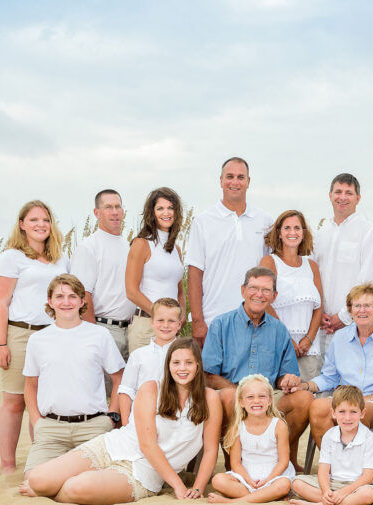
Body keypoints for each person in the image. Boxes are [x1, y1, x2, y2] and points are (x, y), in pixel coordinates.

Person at [19, 338, 222, 504]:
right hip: (112, 447)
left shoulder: (210, 399)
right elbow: (148, 444)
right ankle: (46, 488)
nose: (182, 368)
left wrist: (197, 488)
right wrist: (178, 485)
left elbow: (211, 450)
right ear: (168, 365)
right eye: (176, 363)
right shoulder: (151, 389)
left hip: (143, 473)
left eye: (188, 362)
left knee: (76, 488)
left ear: (198, 365)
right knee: (37, 479)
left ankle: (53, 493)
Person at [201, 266, 313, 469]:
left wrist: (288, 380)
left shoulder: (279, 329)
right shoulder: (221, 324)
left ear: (274, 296)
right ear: (243, 290)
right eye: (253, 288)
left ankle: (275, 457)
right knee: (228, 397)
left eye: (266, 290)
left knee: (305, 398)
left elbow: (285, 374)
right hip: (232, 394)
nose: (259, 294)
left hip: (269, 397)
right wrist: (242, 394)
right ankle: (234, 464)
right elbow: (208, 374)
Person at [0, 200, 69, 474]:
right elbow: (1, 303)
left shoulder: (61, 258)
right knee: (14, 402)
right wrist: (1, 343)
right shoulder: (11, 257)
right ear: (22, 224)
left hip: (53, 336)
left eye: (46, 220)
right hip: (20, 334)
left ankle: (40, 463)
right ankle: (7, 465)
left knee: (44, 404)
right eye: (34, 220)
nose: (41, 225)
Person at [21, 274, 125, 474]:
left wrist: (111, 416)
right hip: (51, 428)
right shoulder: (38, 340)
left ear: (82, 301)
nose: (66, 302)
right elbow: (30, 385)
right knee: (33, 480)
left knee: (89, 483)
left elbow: (119, 378)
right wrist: (37, 421)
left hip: (93, 426)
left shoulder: (99, 335)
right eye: (59, 297)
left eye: (72, 296)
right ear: (50, 301)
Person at [299, 282, 373, 450]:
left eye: (367, 305)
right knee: (318, 407)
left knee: (354, 413)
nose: (362, 310)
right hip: (346, 400)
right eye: (357, 306)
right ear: (350, 311)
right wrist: (305, 386)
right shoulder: (340, 338)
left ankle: (354, 462)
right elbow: (329, 378)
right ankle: (335, 461)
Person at [187, 157, 272, 345]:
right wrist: (198, 321)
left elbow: (273, 272)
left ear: (248, 182)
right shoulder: (203, 221)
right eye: (230, 176)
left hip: (255, 321)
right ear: (221, 181)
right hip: (214, 322)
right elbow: (194, 274)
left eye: (241, 177)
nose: (235, 182)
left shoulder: (265, 221)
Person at [312, 173, 373, 354]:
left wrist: (344, 316)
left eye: (349, 193)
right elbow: (313, 275)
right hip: (320, 328)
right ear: (330, 195)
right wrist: (317, 315)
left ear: (358, 198)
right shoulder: (321, 234)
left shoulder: (368, 233)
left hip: (353, 327)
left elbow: (370, 282)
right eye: (338, 192)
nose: (343, 197)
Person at [290, 385, 373, 505]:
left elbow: (368, 477)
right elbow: (323, 470)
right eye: (342, 412)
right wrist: (326, 490)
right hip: (334, 482)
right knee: (297, 484)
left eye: (353, 412)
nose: (347, 418)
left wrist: (344, 492)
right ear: (333, 413)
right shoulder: (329, 436)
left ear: (362, 413)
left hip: (359, 486)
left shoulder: (369, 439)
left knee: (368, 494)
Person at [260, 209, 324, 382]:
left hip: (308, 349)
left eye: (297, 228)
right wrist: (287, 340)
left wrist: (309, 339)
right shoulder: (269, 261)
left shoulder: (311, 266)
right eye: (287, 228)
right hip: (278, 346)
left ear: (303, 233)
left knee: (309, 395)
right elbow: (264, 302)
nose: (292, 232)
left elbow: (319, 307)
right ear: (279, 233)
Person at [208, 374, 294, 503]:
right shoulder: (237, 428)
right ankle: (264, 496)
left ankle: (234, 502)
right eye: (250, 397)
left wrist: (269, 479)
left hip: (274, 475)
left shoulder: (278, 425)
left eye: (262, 396)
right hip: (247, 476)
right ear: (241, 402)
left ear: (270, 400)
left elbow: (283, 462)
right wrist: (248, 480)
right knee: (218, 480)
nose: (256, 401)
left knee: (284, 485)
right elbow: (236, 463)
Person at [72, 189, 136, 359]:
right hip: (104, 329)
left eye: (118, 207)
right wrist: (93, 335)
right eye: (108, 207)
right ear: (97, 212)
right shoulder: (89, 247)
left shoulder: (129, 246)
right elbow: (82, 294)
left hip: (131, 331)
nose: (115, 212)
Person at [125, 187, 185, 354]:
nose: (166, 213)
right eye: (160, 208)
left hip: (171, 329)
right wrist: (160, 316)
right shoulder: (141, 244)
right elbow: (131, 291)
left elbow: (179, 292)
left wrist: (180, 317)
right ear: (152, 213)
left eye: (170, 208)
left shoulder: (177, 249)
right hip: (146, 327)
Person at [118, 297, 182, 425]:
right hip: (141, 421)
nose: (165, 325)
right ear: (151, 322)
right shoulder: (138, 355)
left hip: (175, 422)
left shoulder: (186, 355)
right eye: (160, 320)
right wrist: (126, 425)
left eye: (171, 321)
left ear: (179, 324)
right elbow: (126, 391)